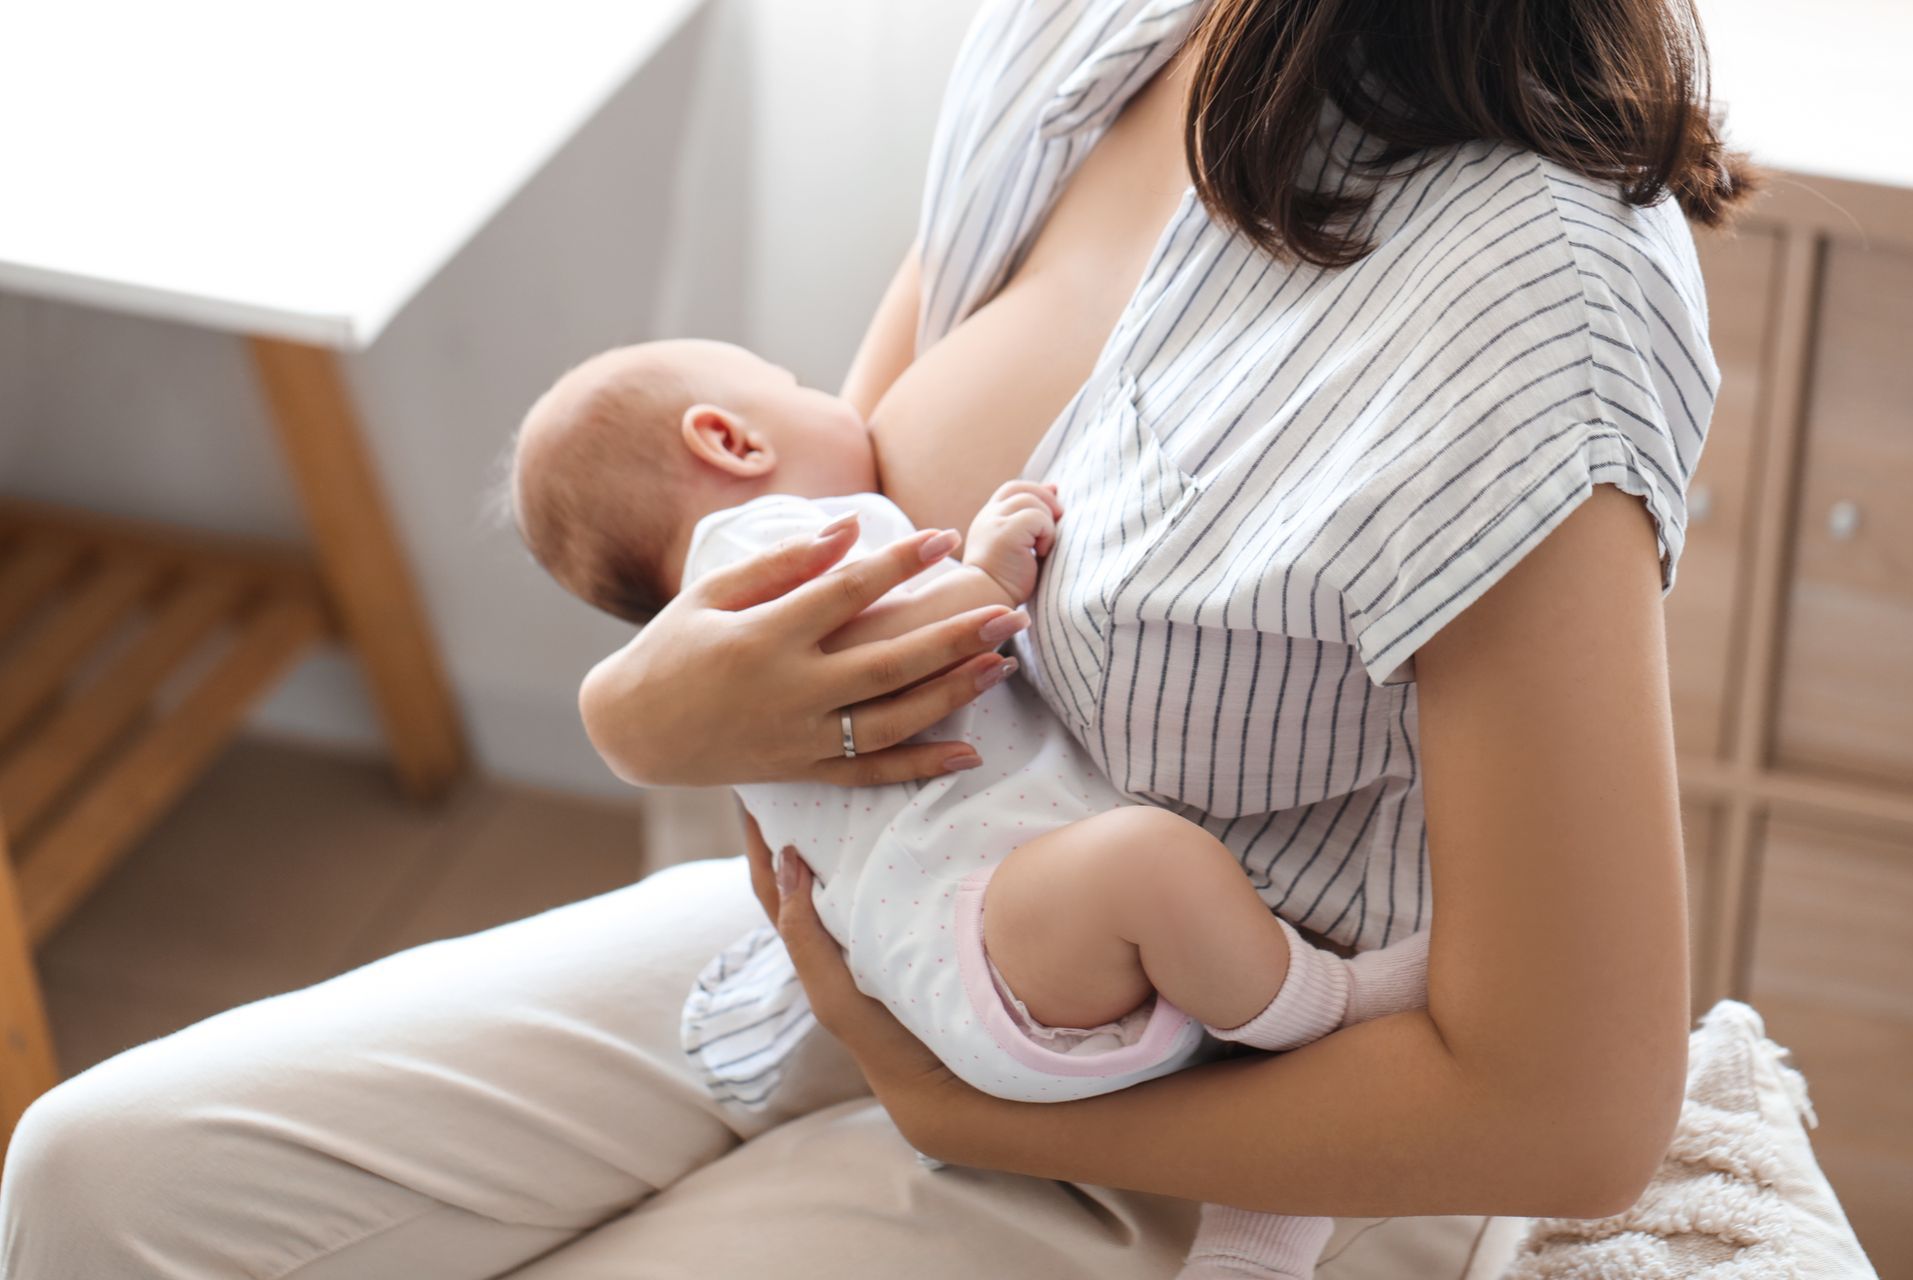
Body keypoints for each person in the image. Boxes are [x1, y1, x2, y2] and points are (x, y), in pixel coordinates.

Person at [0, 1, 1750, 1276]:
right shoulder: (1105, 33)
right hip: (886, 936)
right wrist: (643, 715)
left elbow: (1576, 1110)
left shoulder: (1532, 292)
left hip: (1237, 1109)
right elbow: (826, 526)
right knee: (88, 1184)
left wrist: (971, 1117)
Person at [508, 338, 1434, 1277]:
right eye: (795, 384)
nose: (840, 399)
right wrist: (987, 575)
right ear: (729, 439)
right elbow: (878, 649)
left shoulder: (725, 641)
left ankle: (1254, 1248)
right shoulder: (758, 548)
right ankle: (1337, 1007)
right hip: (988, 935)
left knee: (1203, 980)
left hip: (975, 974)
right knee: (1154, 867)